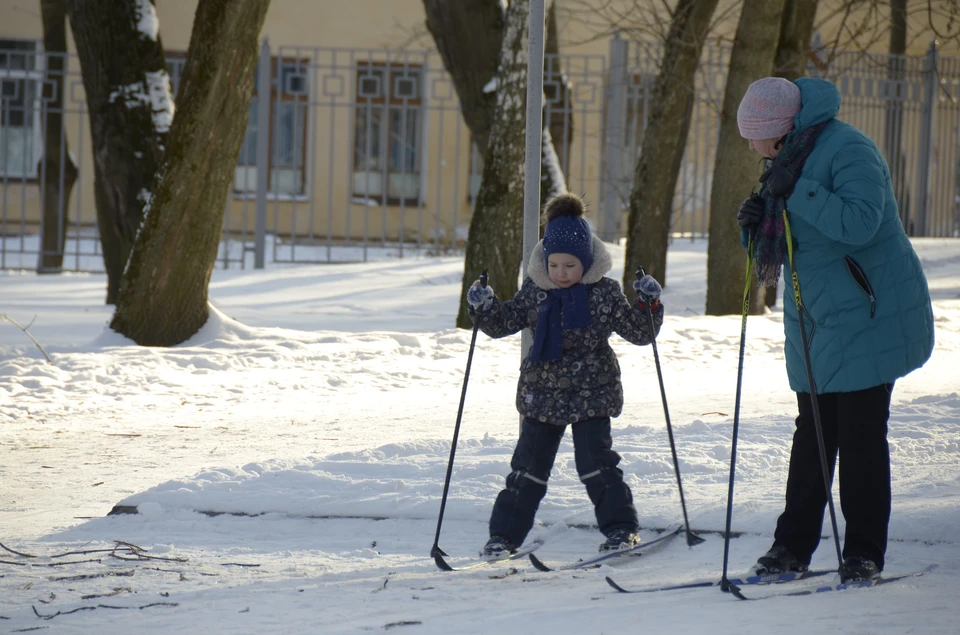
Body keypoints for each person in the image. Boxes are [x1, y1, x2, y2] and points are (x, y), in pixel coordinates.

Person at [735, 77, 935, 583]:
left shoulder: (849, 149)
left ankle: (863, 553)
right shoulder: (786, 160)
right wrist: (753, 225)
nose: (749, 144)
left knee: (862, 436)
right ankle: (790, 549)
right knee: (813, 438)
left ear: (779, 130)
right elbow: (782, 248)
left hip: (869, 312)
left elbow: (860, 223)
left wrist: (796, 191)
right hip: (817, 320)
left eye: (753, 134)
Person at [465, 192, 665, 556]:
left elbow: (639, 333)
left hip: (593, 392)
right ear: (545, 260)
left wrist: (648, 304)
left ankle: (621, 529)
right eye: (554, 265)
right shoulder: (535, 291)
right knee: (527, 469)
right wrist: (484, 307)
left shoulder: (603, 293)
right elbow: (504, 322)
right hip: (542, 394)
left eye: (570, 266)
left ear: (586, 262)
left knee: (597, 465)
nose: (561, 273)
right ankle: (503, 537)